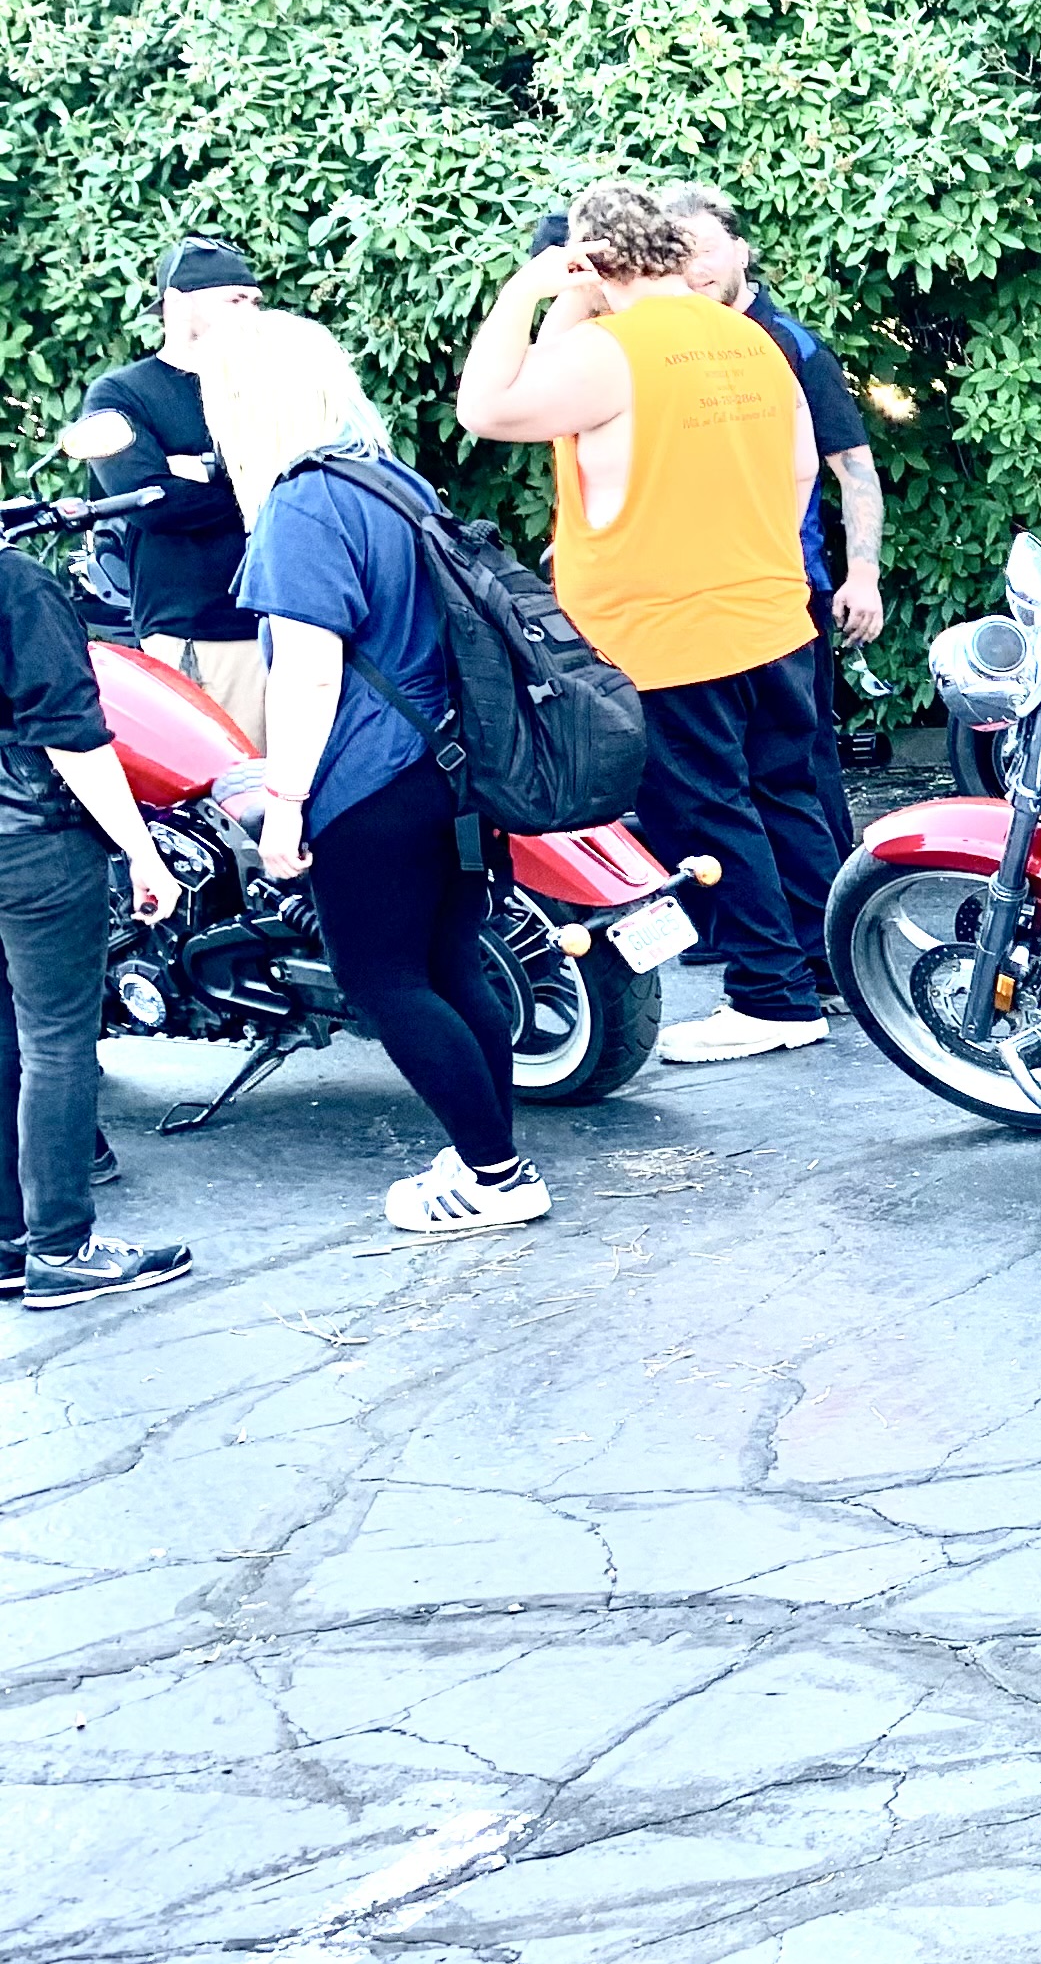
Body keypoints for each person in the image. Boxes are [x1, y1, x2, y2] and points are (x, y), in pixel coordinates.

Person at [455, 182, 832, 1065]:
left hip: (667, 627)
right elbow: (802, 464)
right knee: (785, 795)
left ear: (591, 261)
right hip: (771, 609)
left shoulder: (612, 353)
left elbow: (485, 409)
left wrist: (528, 290)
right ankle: (824, 969)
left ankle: (772, 999)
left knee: (709, 812)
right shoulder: (746, 337)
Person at [198, 311, 552, 1237]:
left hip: (368, 779)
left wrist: (284, 802)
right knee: (451, 964)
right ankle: (490, 1155)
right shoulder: (394, 481)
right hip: (453, 766)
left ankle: (497, 1177)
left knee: (382, 980)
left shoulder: (302, 503)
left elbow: (309, 669)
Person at [659, 185, 882, 911]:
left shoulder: (790, 343)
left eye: (707, 249)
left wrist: (863, 575)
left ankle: (843, 928)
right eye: (679, 253)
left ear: (741, 250)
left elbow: (854, 468)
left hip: (793, 587)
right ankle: (758, 926)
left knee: (801, 767)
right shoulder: (674, 344)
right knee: (726, 772)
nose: (695, 267)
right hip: (706, 591)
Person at [0, 504, 188, 1307]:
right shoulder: (18, 584)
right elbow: (72, 736)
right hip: (33, 842)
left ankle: (12, 1243)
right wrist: (143, 851)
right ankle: (61, 1247)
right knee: (57, 1044)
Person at [75, 237, 269, 740]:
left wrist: (200, 469)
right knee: (230, 781)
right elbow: (152, 504)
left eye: (255, 301)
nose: (252, 314)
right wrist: (252, 477)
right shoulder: (121, 393)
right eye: (235, 300)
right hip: (199, 632)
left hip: (294, 622)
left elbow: (308, 480)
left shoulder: (272, 386)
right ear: (178, 303)